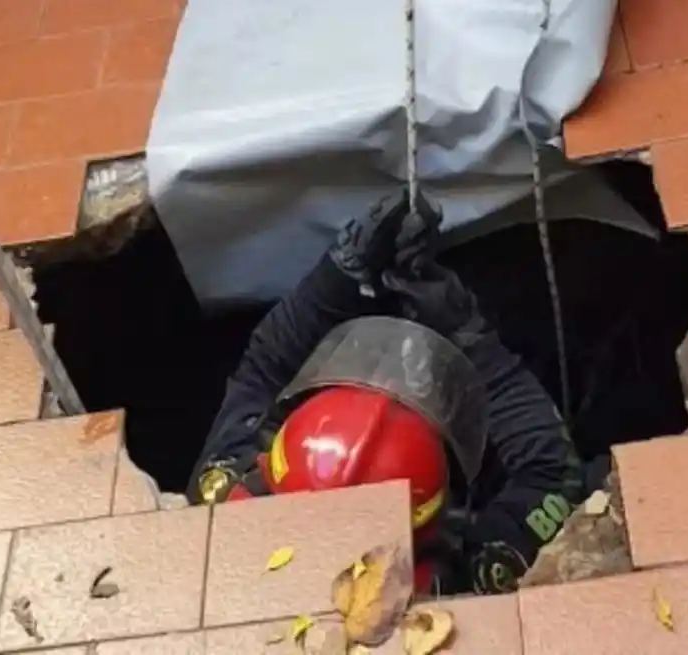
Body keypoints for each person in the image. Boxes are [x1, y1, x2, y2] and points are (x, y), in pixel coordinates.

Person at [187, 189, 586, 595]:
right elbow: (554, 474)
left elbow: (262, 371)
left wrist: (339, 277)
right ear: (430, 518)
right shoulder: (463, 587)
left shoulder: (224, 519)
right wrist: (471, 337)